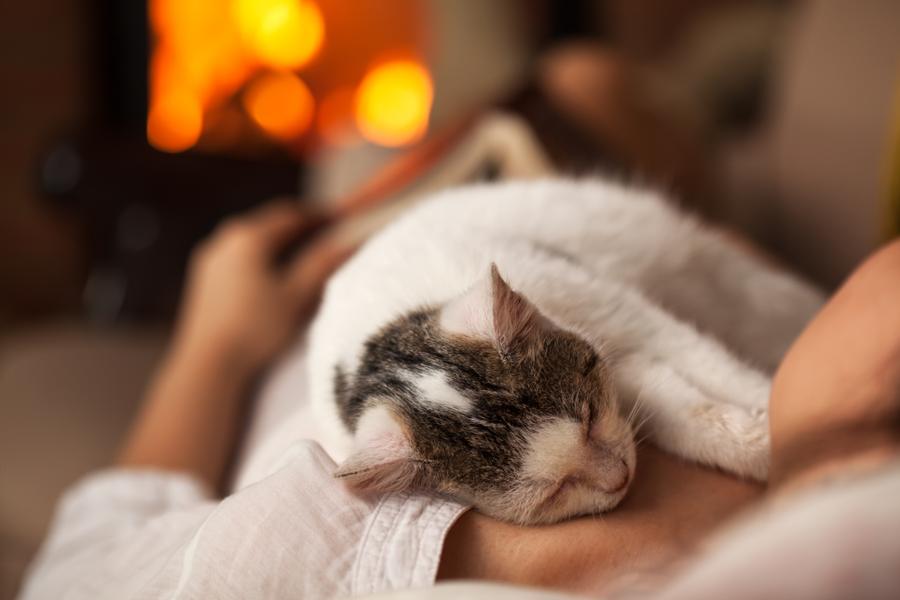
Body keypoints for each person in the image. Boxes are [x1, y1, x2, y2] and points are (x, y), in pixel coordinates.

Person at [18, 201, 900, 599]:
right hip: (752, 456)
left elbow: (106, 522)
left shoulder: (66, 586)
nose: (611, 473)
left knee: (569, 94)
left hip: (429, 284)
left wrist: (211, 345)